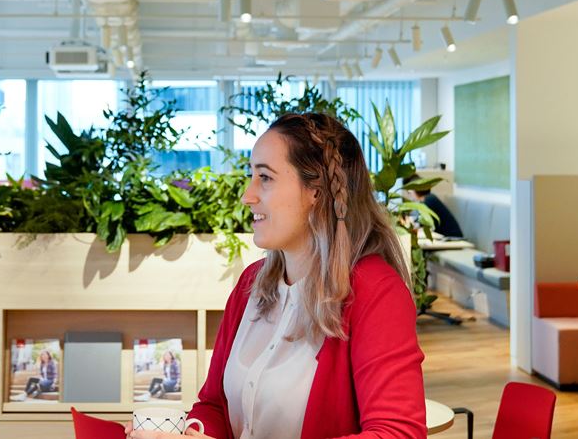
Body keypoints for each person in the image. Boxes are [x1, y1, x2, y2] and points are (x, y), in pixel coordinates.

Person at [131, 113, 426, 439]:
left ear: (317, 191)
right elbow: (213, 406)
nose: (247, 195)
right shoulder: (250, 284)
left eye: (265, 178)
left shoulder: (376, 292)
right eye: (251, 176)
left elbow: (398, 433)